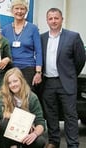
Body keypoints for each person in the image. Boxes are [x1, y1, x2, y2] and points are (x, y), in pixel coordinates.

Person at [40, 8, 86, 148]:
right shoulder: (42, 38)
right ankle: (54, 142)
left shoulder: (73, 36)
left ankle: (73, 144)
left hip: (66, 82)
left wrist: (70, 74)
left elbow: (80, 59)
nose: (53, 21)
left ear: (61, 19)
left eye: (56, 18)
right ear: (47, 20)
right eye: (50, 18)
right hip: (48, 82)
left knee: (70, 115)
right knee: (51, 114)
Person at [0, 67, 46, 148]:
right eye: (9, 83)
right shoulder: (3, 95)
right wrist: (21, 120)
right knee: (3, 123)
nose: (13, 85)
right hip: (9, 134)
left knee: (40, 141)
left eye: (15, 81)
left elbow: (40, 122)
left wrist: (34, 134)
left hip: (25, 134)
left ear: (21, 80)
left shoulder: (32, 97)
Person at [1, 0, 42, 92]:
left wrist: (38, 72)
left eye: (22, 9)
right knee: (11, 97)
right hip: (10, 69)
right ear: (12, 10)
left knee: (26, 98)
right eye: (16, 8)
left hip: (28, 68)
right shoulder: (5, 30)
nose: (19, 11)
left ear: (26, 11)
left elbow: (38, 51)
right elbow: (1, 50)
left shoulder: (33, 29)